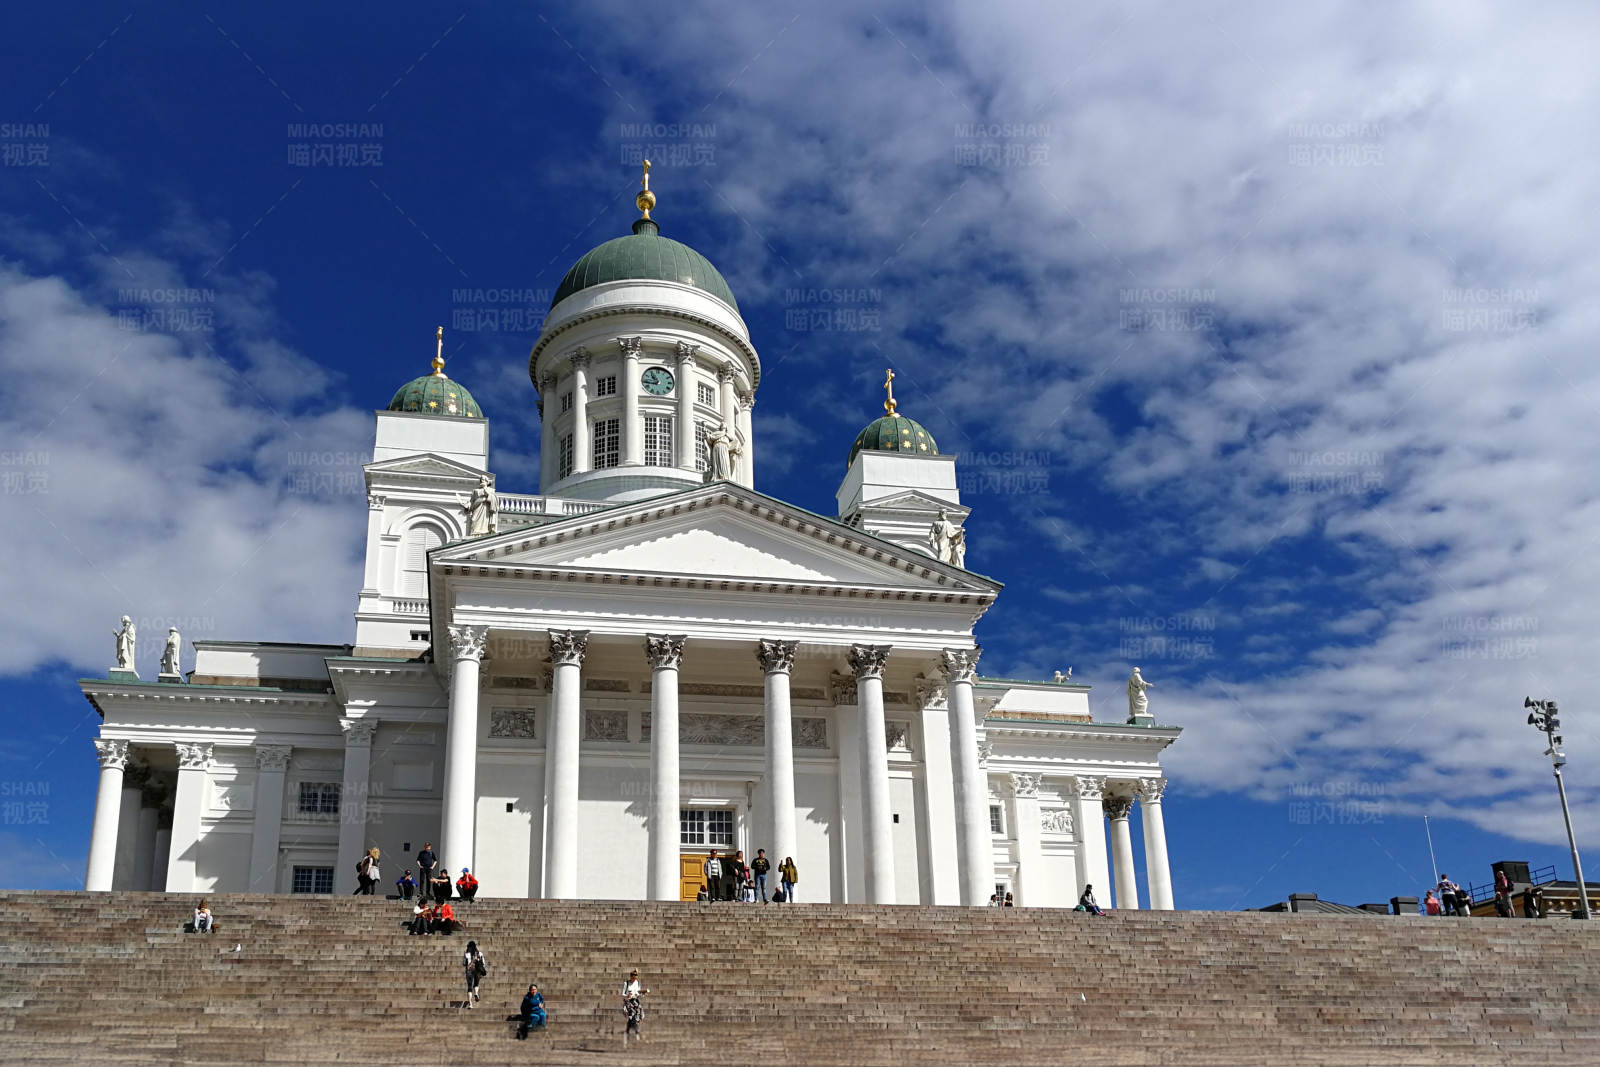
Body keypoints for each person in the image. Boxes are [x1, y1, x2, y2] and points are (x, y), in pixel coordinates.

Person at [622, 969, 646, 1041]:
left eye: (635, 978)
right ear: (630, 977)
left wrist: (642, 993)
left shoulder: (638, 983)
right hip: (628, 1002)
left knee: (639, 1016)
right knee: (632, 1017)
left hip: (635, 1001)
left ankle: (628, 1031)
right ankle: (635, 1032)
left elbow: (638, 992)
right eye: (632, 978)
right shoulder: (626, 983)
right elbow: (623, 993)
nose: (634, 979)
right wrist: (627, 995)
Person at [462, 940, 486, 1007]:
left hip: (469, 971)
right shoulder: (479, 953)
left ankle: (470, 1004)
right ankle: (476, 993)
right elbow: (483, 963)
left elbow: (464, 963)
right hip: (477, 971)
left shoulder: (466, 954)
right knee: (476, 984)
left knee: (469, 987)